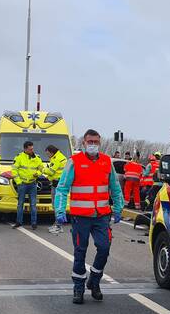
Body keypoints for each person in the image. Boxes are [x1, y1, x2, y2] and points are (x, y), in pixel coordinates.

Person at [54, 129, 124, 304]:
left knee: (104, 248)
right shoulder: (74, 162)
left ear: (100, 143)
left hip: (101, 216)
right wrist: (60, 211)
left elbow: (115, 187)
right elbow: (62, 188)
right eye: (90, 142)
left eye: (96, 142)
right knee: (80, 251)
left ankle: (94, 280)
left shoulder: (107, 162)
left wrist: (118, 208)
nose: (93, 145)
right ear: (84, 143)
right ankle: (78, 287)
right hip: (80, 217)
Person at [12, 140, 43, 229]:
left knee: (33, 204)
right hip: (22, 184)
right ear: (25, 149)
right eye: (30, 149)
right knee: (20, 204)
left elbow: (41, 168)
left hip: (32, 183)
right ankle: (19, 222)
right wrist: (18, 182)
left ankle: (34, 223)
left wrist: (37, 173)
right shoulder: (19, 157)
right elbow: (14, 170)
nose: (32, 150)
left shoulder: (37, 157)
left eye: (32, 149)